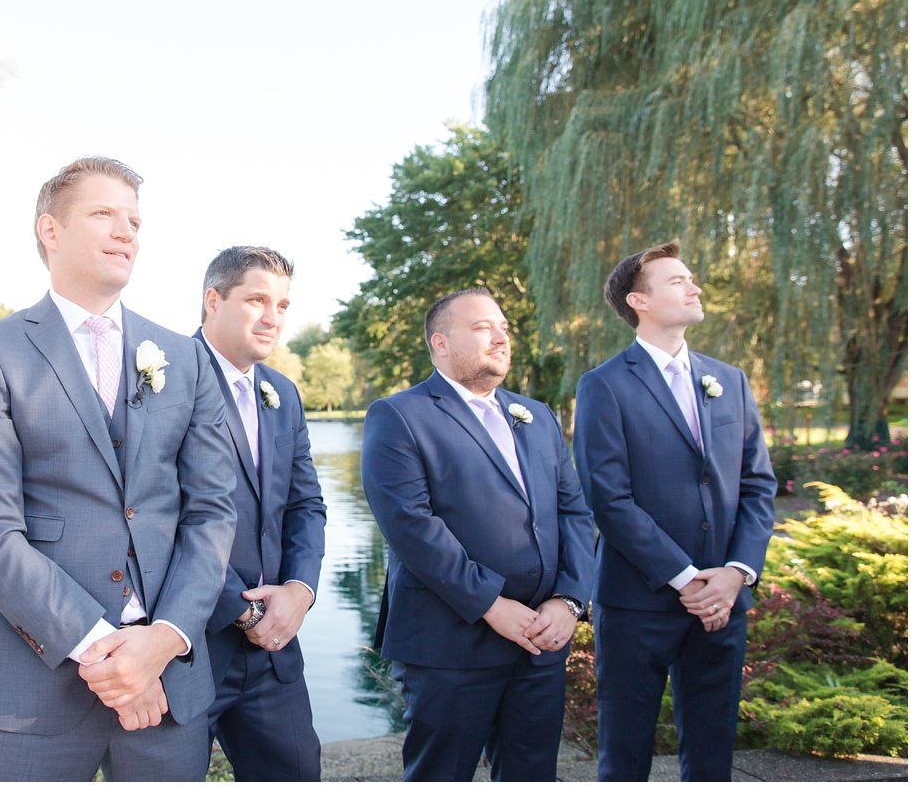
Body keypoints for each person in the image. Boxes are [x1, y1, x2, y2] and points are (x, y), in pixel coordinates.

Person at [0, 156, 237, 782]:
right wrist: (108, 655)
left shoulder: (185, 357)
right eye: (104, 214)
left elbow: (211, 514)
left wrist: (164, 640)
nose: (126, 231)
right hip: (30, 692)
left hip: (168, 690)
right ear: (50, 230)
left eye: (134, 220)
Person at [361, 288, 594, 781]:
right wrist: (491, 604)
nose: (501, 338)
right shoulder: (401, 415)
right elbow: (412, 527)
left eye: (504, 328)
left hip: (539, 639)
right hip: (451, 644)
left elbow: (574, 511)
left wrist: (569, 600)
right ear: (440, 343)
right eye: (483, 327)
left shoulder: (537, 416)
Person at [573, 241, 776, 781]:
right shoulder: (603, 386)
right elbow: (609, 500)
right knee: (625, 754)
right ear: (638, 300)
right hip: (638, 601)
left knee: (713, 754)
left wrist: (734, 575)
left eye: (692, 279)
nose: (695, 287)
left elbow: (758, 485)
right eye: (677, 281)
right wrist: (687, 580)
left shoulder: (729, 380)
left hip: (724, 601)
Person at [193, 246, 327, 780]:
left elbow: (305, 504)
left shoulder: (282, 393)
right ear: (213, 300)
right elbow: (156, 514)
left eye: (283, 305)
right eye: (256, 300)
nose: (273, 317)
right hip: (189, 645)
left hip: (274, 648)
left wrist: (300, 590)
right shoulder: (163, 380)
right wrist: (241, 609)